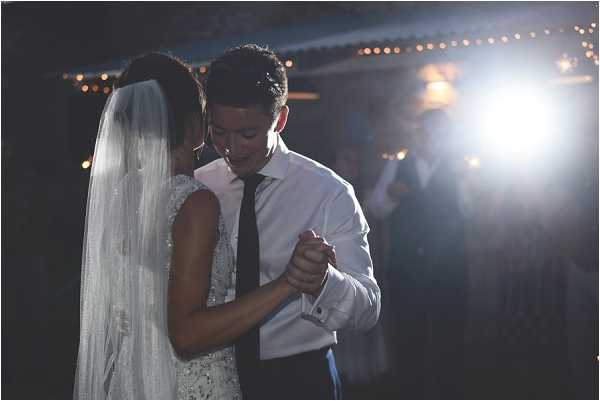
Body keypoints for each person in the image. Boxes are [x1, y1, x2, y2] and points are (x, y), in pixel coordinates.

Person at [74, 53, 334, 399]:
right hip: (193, 384)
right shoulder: (193, 201)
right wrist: (288, 282)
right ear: (196, 124)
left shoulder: (121, 194)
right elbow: (186, 335)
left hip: (133, 381)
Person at [195, 44, 381, 399]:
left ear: (279, 120)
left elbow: (369, 307)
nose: (231, 148)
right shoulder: (198, 186)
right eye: (219, 132)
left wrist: (324, 281)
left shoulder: (329, 192)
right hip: (213, 375)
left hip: (301, 378)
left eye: (247, 134)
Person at [367, 108, 468, 399]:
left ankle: (449, 391)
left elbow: (471, 212)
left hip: (450, 267)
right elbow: (375, 207)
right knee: (409, 335)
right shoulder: (398, 165)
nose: (433, 137)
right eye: (428, 131)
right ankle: (411, 391)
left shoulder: (457, 166)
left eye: (440, 131)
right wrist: (391, 195)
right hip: (407, 266)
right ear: (420, 133)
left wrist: (464, 184)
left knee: (450, 335)